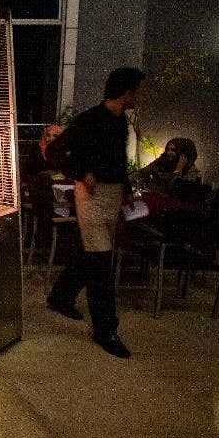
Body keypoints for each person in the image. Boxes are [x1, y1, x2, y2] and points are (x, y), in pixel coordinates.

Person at [45, 67, 146, 359]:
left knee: (92, 253)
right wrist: (80, 172)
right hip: (91, 195)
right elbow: (54, 151)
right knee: (101, 261)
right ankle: (106, 330)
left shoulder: (121, 122)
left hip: (112, 195)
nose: (141, 97)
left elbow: (116, 161)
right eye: (139, 91)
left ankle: (61, 296)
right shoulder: (89, 119)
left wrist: (126, 190)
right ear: (127, 92)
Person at [131, 137, 201, 194]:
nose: (168, 153)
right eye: (167, 149)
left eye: (173, 150)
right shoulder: (162, 160)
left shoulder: (191, 172)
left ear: (183, 154)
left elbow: (172, 190)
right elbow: (141, 173)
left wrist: (178, 170)